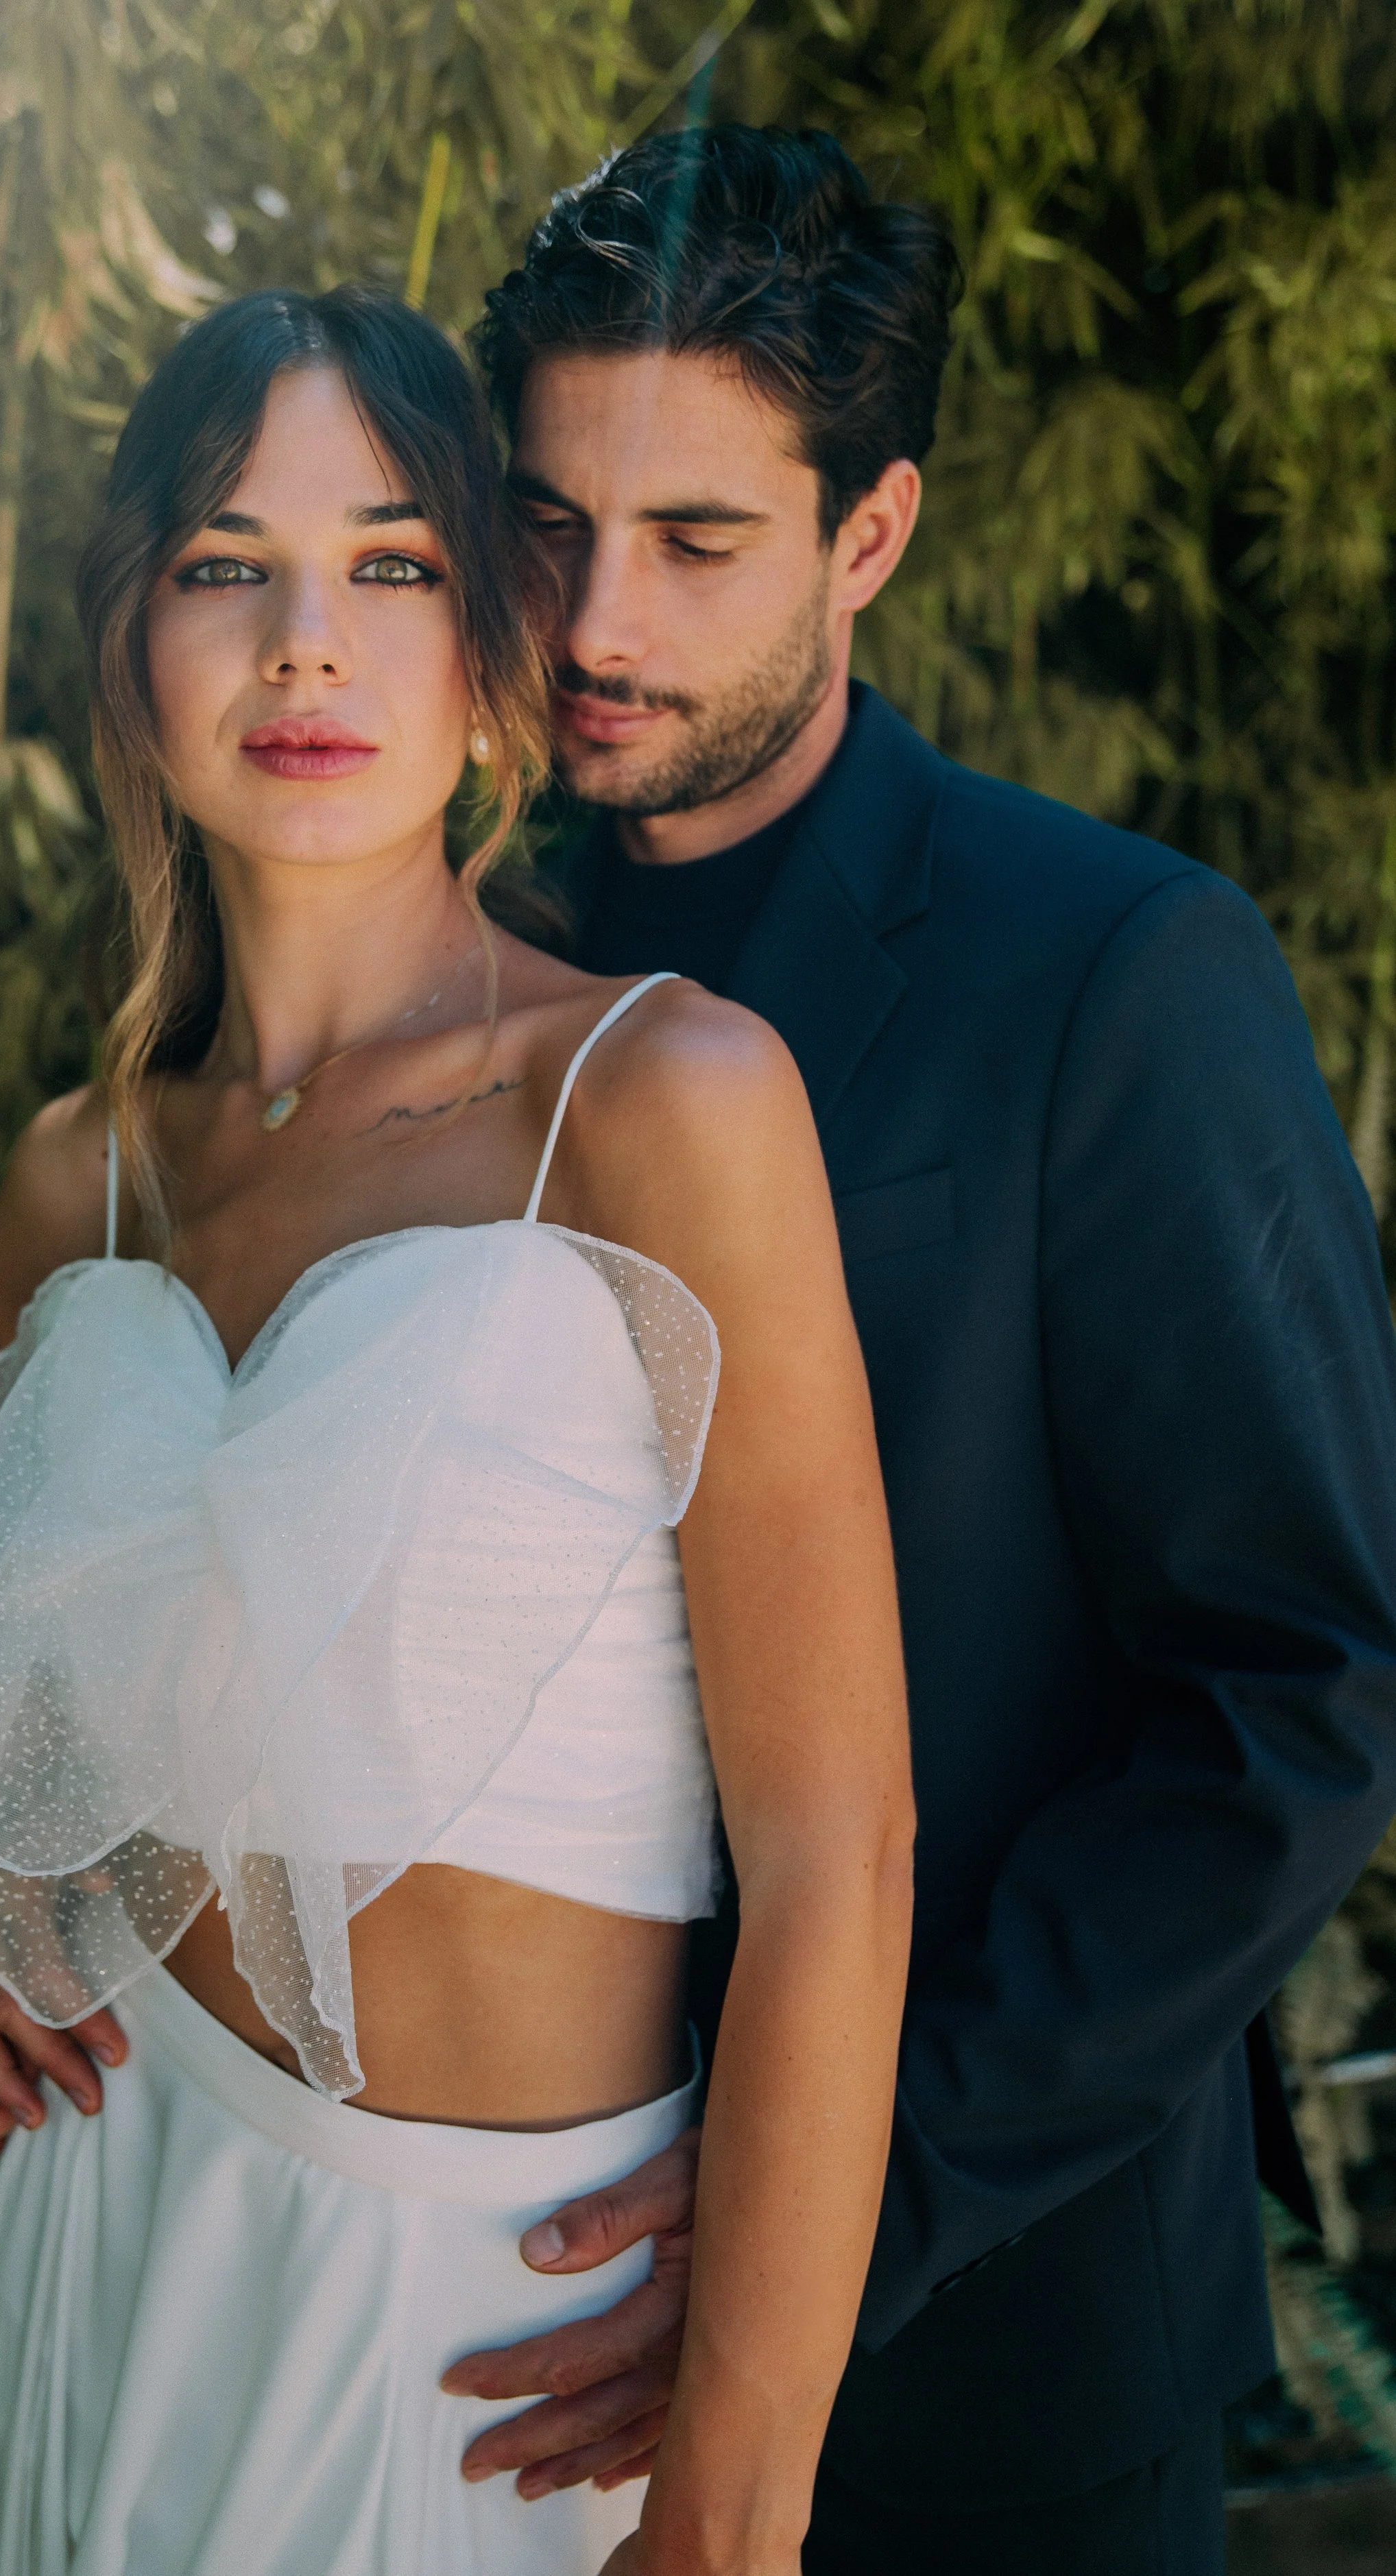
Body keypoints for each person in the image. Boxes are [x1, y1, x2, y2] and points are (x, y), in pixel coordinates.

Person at [0, 283, 913, 2576]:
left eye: (394, 563)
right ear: (134, 642)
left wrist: (737, 2496)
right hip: (105, 2212)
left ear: (493, 653)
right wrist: (17, 1871)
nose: (305, 644)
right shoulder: (83, 1168)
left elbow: (841, 1844)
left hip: (491, 2332)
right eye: (227, 563)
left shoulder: (660, 1099)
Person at [441, 124, 1396, 2576]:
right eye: (540, 525)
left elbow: (1294, 1691)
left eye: (696, 539)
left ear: (870, 535)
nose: (587, 619)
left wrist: (814, 2213)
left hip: (976, 2353)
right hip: (442, 2302)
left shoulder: (1116, 973)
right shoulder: (411, 976)